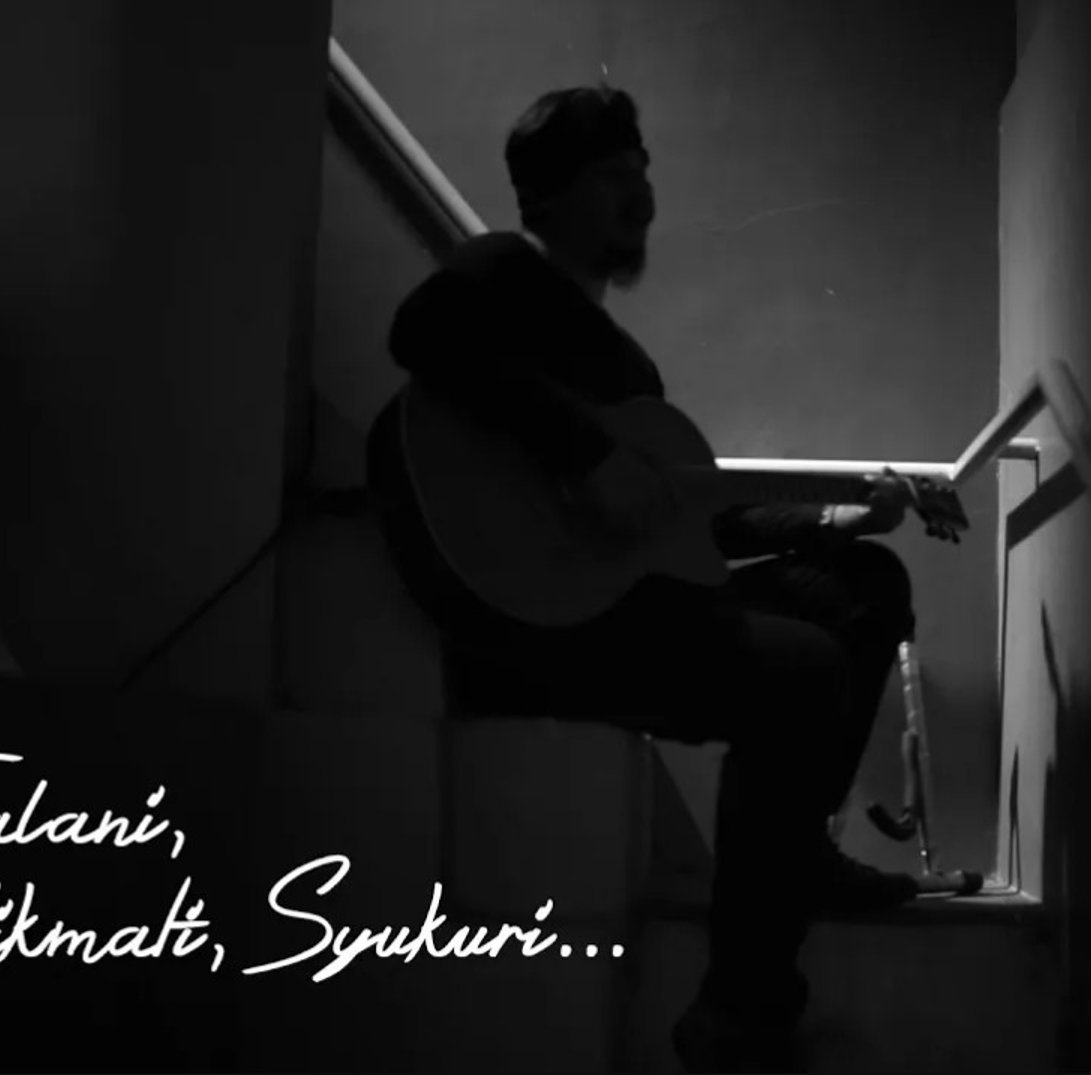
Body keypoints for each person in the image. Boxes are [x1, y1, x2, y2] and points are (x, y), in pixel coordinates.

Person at [367, 84, 922, 1071]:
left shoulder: (624, 364)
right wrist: (584, 452)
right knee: (799, 670)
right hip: (540, 623)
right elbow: (422, 333)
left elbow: (684, 518)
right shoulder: (500, 272)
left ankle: (797, 855)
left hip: (631, 603)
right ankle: (742, 1009)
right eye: (614, 176)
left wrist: (839, 515)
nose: (643, 196)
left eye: (644, 173)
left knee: (866, 582)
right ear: (549, 195)